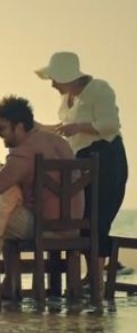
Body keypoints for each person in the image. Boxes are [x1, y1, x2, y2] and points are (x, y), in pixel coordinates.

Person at [35, 51, 131, 276]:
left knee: (98, 216)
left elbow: (110, 125)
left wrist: (78, 127)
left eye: (54, 79)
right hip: (81, 161)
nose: (52, 85)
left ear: (66, 76)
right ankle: (92, 276)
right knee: (84, 216)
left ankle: (96, 276)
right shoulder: (68, 98)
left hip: (106, 159)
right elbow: (66, 129)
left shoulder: (99, 89)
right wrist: (39, 127)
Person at [0, 96, 83, 298]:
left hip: (46, 226)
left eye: (2, 127)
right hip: (74, 225)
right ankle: (9, 283)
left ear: (19, 127)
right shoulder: (60, 142)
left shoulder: (24, 151)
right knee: (5, 211)